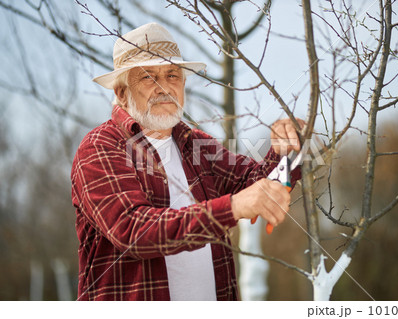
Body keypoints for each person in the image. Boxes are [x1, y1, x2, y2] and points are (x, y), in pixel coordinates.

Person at [71, 22, 303, 301]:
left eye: (172, 75)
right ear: (121, 93)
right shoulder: (100, 146)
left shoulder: (196, 144)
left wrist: (287, 147)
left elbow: (260, 183)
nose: (164, 87)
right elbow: (134, 230)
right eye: (148, 77)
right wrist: (232, 207)